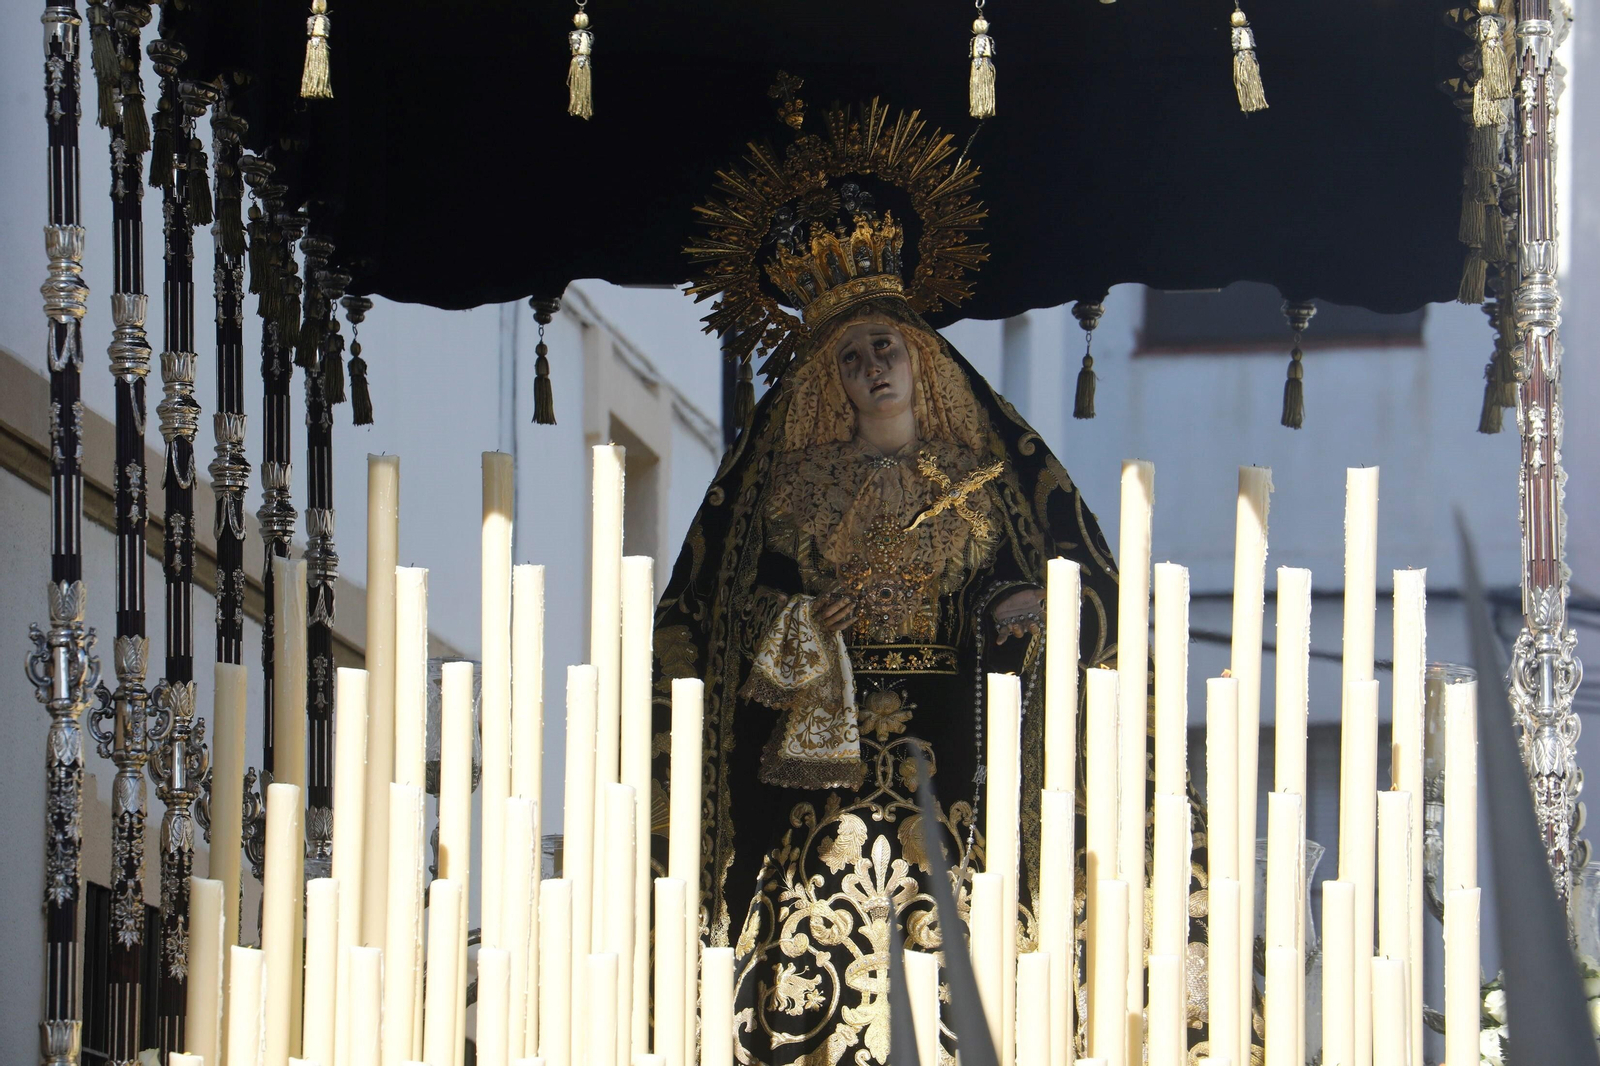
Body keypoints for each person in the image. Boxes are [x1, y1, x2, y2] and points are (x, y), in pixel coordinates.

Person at [652, 86, 1218, 1065]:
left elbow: (1091, 610)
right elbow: (704, 635)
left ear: (921, 360)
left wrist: (1031, 614)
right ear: (825, 378)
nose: (873, 367)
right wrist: (807, 623)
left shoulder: (992, 482)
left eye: (887, 347)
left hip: (960, 794)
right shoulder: (784, 493)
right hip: (811, 822)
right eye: (851, 357)